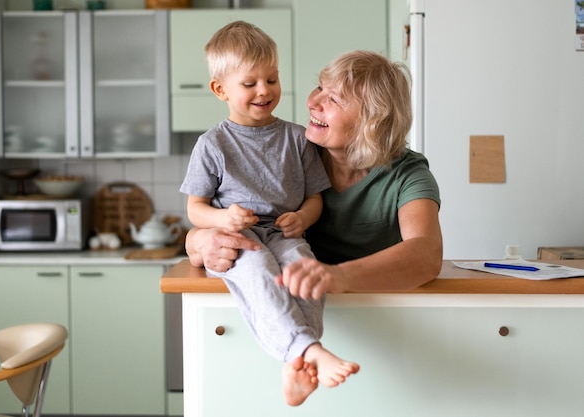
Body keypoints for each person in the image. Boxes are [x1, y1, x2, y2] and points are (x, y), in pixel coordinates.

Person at [185, 50, 443, 405]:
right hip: (288, 336)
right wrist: (201, 240)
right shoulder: (294, 153)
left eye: (333, 98)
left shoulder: (407, 173)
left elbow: (426, 255)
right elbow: (207, 225)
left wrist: (338, 276)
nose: (313, 102)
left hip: (380, 342)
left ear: (372, 119)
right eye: (318, 88)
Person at [179, 21, 360, 406]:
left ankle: (297, 360)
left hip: (285, 234)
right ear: (220, 89)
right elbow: (195, 209)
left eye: (272, 79)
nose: (265, 90)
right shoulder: (212, 144)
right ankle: (309, 352)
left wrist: (303, 219)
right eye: (250, 84)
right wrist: (221, 219)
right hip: (237, 240)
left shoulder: (298, 138)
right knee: (259, 271)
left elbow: (315, 198)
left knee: (304, 272)